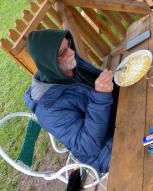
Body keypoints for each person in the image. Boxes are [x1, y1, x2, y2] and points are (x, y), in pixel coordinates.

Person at [24, 28, 116, 173]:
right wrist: (100, 97)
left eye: (68, 46)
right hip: (105, 150)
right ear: (49, 62)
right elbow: (87, 146)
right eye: (62, 52)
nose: (71, 52)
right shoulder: (48, 108)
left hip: (116, 114)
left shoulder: (69, 65)